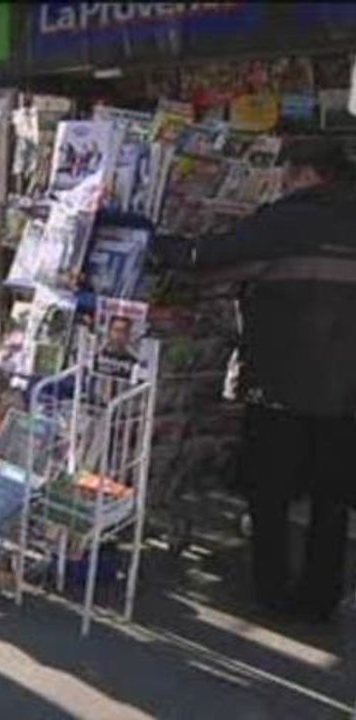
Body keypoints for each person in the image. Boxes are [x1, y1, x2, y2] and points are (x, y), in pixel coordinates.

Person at [154, 137, 356, 622]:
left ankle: (272, 593)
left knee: (271, 491)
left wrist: (151, 239)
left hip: (280, 385)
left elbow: (207, 258)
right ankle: (320, 598)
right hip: (349, 394)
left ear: (306, 173)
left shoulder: (285, 219)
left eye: (286, 170)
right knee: (332, 500)